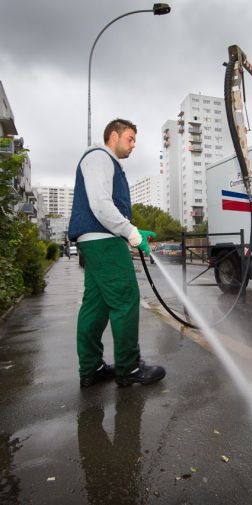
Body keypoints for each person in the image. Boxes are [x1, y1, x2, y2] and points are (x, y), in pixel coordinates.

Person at [68, 118, 165, 387]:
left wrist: (133, 230)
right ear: (114, 136)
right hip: (104, 241)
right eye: (130, 138)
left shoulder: (104, 162)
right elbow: (100, 205)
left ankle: (91, 367)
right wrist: (131, 233)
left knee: (95, 305)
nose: (133, 145)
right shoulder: (99, 157)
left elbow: (105, 207)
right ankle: (129, 368)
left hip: (95, 240)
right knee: (125, 299)